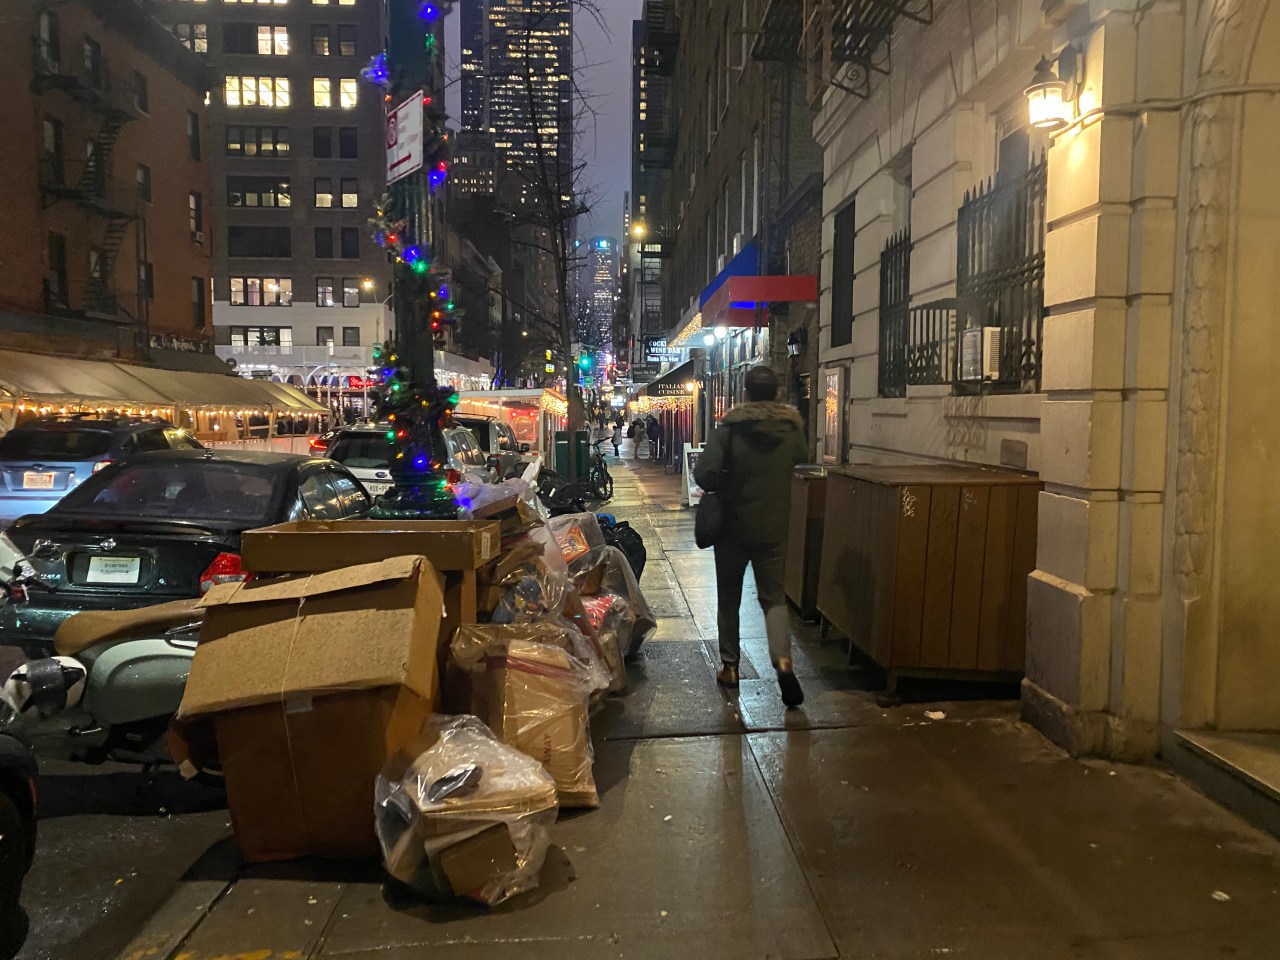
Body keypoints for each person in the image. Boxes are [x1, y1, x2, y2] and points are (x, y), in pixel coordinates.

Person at [694, 366, 807, 708]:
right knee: (773, 598)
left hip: (731, 528)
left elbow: (704, 474)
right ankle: (783, 662)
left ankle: (730, 667)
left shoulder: (729, 430)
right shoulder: (791, 430)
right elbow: (802, 458)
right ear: (775, 393)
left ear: (745, 392)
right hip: (773, 529)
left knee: (729, 598)